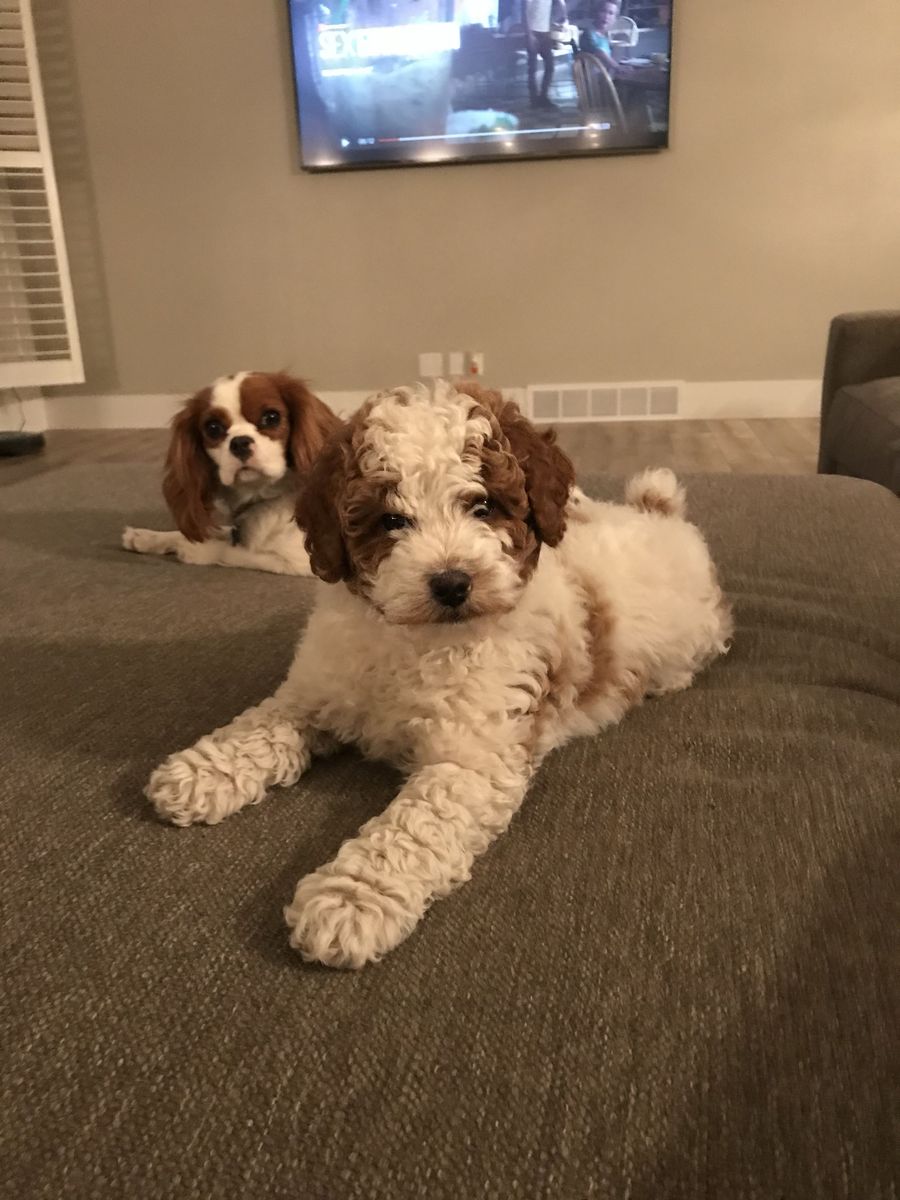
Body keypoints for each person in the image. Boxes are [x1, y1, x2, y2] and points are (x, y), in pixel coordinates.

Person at [523, 0, 568, 108]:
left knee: (550, 66)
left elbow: (561, 3)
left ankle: (543, 96)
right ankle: (534, 100)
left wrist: (565, 18)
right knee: (532, 68)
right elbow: (525, 12)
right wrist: (529, 34)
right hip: (533, 32)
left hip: (545, 33)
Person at [579, 0, 633, 76]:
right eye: (603, 11)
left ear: (615, 19)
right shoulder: (589, 33)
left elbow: (607, 54)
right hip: (592, 81)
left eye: (611, 13)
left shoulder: (604, 36)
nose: (606, 16)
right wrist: (617, 67)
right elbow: (600, 53)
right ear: (595, 13)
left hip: (604, 76)